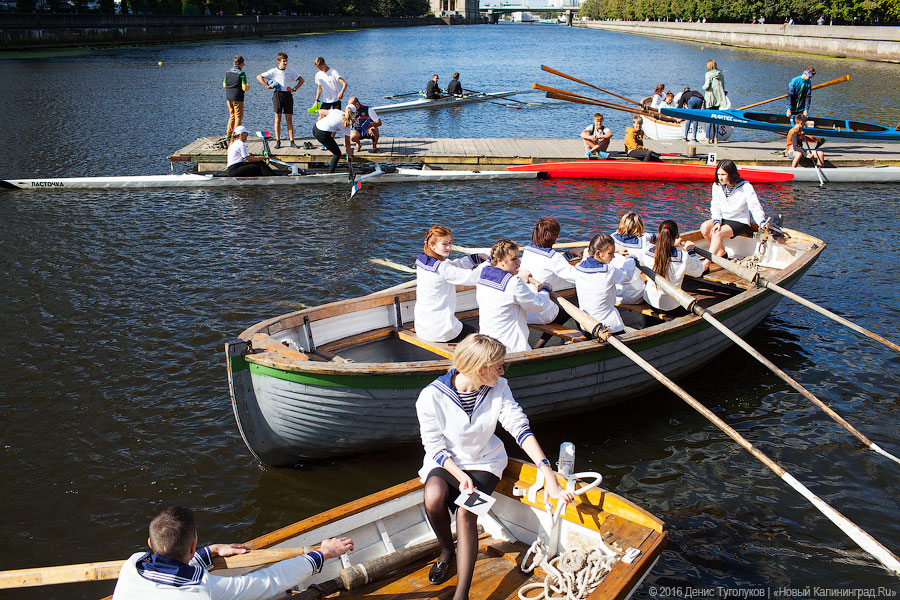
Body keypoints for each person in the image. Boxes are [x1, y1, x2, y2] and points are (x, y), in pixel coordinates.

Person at [416, 333, 575, 600]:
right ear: (481, 370)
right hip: (447, 461)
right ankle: (446, 550)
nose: (503, 371)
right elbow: (433, 446)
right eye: (499, 366)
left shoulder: (499, 387)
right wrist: (458, 474)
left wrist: (548, 473)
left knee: (467, 513)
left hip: (484, 461)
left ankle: (461, 596)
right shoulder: (431, 396)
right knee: (433, 496)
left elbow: (519, 428)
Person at [111, 505, 353, 600]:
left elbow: (174, 569)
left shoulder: (133, 564)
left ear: (150, 544)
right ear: (193, 545)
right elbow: (268, 581)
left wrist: (211, 552)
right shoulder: (201, 591)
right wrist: (322, 553)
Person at [476, 239, 558, 353]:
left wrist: (518, 277)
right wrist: (545, 289)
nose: (519, 262)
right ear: (500, 261)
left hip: (488, 345)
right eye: (514, 259)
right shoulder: (513, 283)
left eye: (518, 257)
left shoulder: (482, 276)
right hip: (511, 349)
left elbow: (507, 291)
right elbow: (538, 305)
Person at [414, 225, 489, 343]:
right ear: (432, 246)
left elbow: (452, 266)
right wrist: (489, 263)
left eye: (450, 243)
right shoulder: (442, 268)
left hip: (422, 328)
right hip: (441, 330)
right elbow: (473, 277)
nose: (449, 247)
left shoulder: (423, 261)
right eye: (444, 244)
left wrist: (475, 258)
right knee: (480, 339)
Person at [520, 217, 580, 348]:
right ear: (556, 238)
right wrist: (587, 260)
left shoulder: (528, 250)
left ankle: (540, 345)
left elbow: (551, 265)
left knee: (560, 310)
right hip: (538, 311)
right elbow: (575, 276)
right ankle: (587, 339)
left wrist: (570, 254)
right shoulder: (554, 258)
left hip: (524, 308)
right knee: (575, 310)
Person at [699, 160, 768, 268]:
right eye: (718, 174)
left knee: (717, 234)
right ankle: (721, 252)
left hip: (739, 221)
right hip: (723, 219)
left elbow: (754, 206)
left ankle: (706, 263)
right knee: (705, 228)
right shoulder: (717, 185)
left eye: (723, 175)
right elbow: (715, 205)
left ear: (731, 174)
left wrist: (761, 221)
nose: (720, 178)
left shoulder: (745, 186)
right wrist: (717, 221)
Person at [573, 233, 636, 335]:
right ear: (598, 253)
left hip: (586, 325)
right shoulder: (608, 272)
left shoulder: (579, 267)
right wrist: (631, 259)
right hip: (607, 327)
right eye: (610, 253)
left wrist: (615, 250)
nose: (614, 256)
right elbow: (627, 274)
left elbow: (586, 253)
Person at [636, 220, 703, 314]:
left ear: (659, 235)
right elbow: (698, 271)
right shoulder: (683, 256)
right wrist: (690, 251)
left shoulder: (647, 251)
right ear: (677, 236)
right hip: (671, 307)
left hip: (650, 302)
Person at [256, 52, 304, 149]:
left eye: (286, 61)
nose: (285, 63)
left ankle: (292, 141)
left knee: (289, 119)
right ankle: (278, 141)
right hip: (278, 95)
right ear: (278, 61)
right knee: (278, 119)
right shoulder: (273, 71)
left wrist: (294, 89)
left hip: (287, 95)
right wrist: (266, 86)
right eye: (283, 61)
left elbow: (301, 80)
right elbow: (259, 77)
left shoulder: (290, 71)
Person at [611, 211, 653, 304]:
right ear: (640, 226)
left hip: (614, 294)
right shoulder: (644, 244)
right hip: (635, 296)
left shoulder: (611, 239)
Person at [313, 106, 354, 173]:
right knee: (337, 153)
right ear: (353, 114)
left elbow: (321, 111)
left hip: (315, 128)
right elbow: (347, 142)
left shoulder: (337, 111)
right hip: (322, 134)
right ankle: (330, 174)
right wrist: (349, 155)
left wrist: (321, 118)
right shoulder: (346, 123)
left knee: (331, 139)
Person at [223, 55, 249, 139]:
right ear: (241, 64)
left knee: (231, 115)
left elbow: (224, 85)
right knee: (238, 116)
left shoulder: (227, 72)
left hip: (228, 97)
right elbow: (244, 88)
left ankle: (228, 134)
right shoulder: (241, 73)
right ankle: (236, 135)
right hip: (237, 97)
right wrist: (248, 86)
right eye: (243, 64)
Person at [702, 59, 726, 143]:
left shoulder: (708, 74)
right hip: (718, 99)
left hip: (710, 98)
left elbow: (707, 86)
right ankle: (715, 138)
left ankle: (708, 138)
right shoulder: (721, 74)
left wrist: (703, 87)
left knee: (709, 119)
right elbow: (723, 86)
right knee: (716, 119)